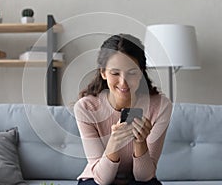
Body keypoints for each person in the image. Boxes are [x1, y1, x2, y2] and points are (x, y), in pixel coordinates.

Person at [74, 34, 172, 185]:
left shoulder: (160, 106)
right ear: (103, 72)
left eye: (132, 73)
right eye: (115, 73)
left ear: (141, 72)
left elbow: (145, 177)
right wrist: (114, 142)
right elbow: (102, 178)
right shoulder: (86, 107)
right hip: (98, 179)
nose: (123, 82)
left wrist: (140, 142)